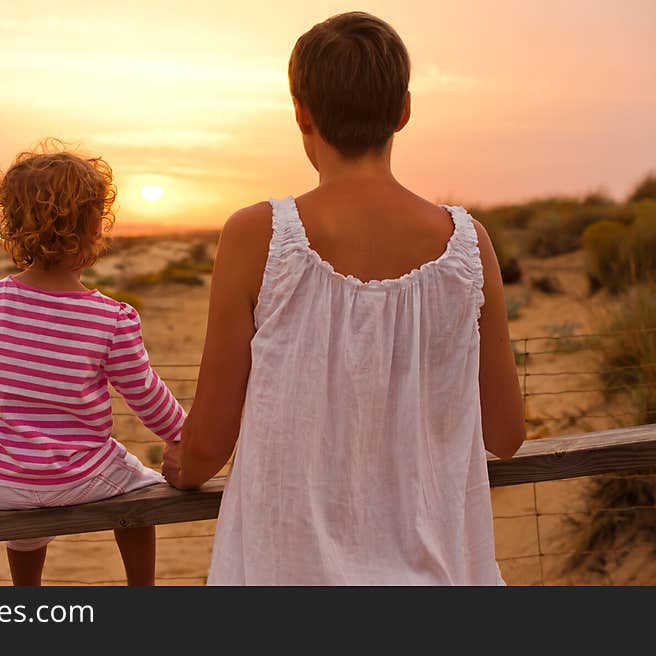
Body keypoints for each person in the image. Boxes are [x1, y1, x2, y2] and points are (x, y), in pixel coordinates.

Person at [162, 12, 525, 585]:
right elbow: (506, 435)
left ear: (301, 112)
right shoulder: (468, 245)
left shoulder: (257, 236)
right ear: (404, 110)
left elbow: (208, 445)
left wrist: (185, 465)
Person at [0, 142, 186, 586]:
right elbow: (145, 394)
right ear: (94, 228)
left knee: (21, 524)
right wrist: (183, 435)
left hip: (2, 482)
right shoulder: (110, 318)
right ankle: (143, 589)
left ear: (13, 226)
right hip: (80, 474)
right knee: (142, 492)